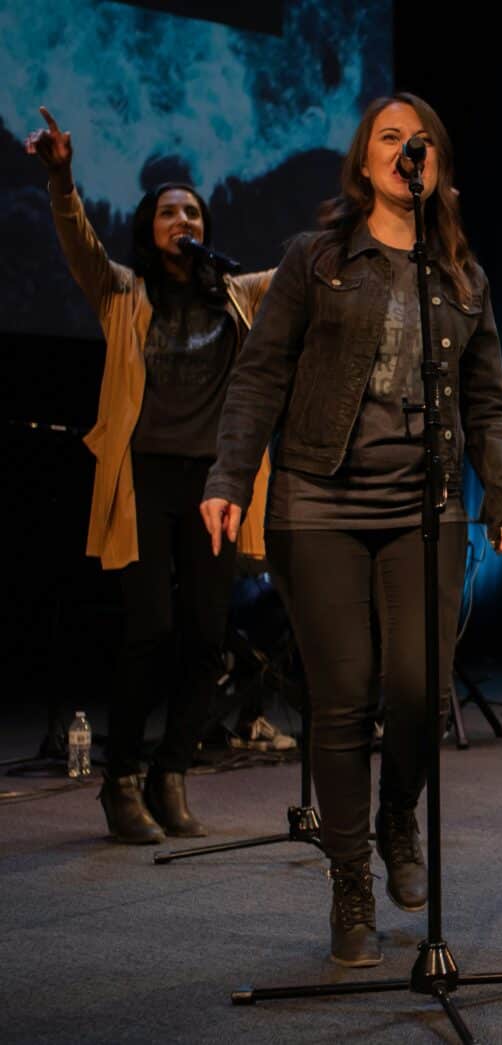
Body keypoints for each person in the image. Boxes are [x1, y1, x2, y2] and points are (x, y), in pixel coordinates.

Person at [199, 92, 502, 968]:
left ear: (439, 169)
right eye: (389, 137)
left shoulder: (463, 279)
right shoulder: (315, 260)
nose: (404, 149)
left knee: (423, 691)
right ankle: (350, 874)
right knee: (343, 697)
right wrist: (230, 476)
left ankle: (396, 823)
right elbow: (260, 376)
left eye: (418, 139)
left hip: (425, 505)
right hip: (318, 499)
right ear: (363, 164)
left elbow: (489, 404)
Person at [25, 106, 275, 845]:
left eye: (191, 210)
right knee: (152, 629)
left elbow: (298, 272)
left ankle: (173, 772)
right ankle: (121, 781)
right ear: (150, 225)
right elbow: (79, 244)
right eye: (168, 211)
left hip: (214, 487)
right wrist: (63, 178)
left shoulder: (235, 293)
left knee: (206, 637)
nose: (181, 218)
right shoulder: (123, 292)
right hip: (143, 481)